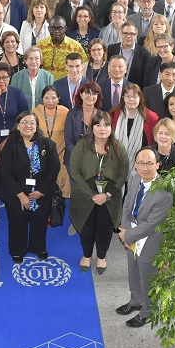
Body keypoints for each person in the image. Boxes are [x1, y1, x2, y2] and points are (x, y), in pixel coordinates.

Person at [117, 147, 174, 327]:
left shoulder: (164, 193)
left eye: (150, 164)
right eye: (141, 163)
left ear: (158, 165)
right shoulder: (135, 178)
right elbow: (127, 203)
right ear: (135, 165)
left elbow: (151, 224)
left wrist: (128, 235)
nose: (145, 168)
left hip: (150, 238)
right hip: (132, 232)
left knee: (147, 276)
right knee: (133, 271)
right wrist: (125, 229)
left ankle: (147, 311)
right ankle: (135, 301)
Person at [69, 111, 129, 275]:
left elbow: (123, 173)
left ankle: (101, 256)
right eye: (98, 124)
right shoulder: (82, 145)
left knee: (104, 227)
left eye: (106, 125)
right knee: (86, 226)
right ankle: (87, 255)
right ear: (92, 127)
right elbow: (74, 172)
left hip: (109, 196)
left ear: (111, 127)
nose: (102, 128)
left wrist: (107, 195)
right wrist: (92, 195)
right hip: (85, 194)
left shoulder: (118, 146)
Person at [0, 112, 60, 263]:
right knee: (17, 222)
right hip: (16, 193)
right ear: (18, 126)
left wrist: (42, 191)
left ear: (36, 126)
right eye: (24, 122)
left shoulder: (47, 144)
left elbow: (54, 169)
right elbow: (5, 172)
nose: (28, 126)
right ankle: (17, 250)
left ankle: (38, 247)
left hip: (41, 192)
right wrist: (20, 195)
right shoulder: (10, 145)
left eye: (32, 123)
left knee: (39, 222)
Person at [111, 84, 159, 177]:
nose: (131, 99)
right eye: (128, 96)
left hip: (143, 169)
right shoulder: (113, 115)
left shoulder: (151, 118)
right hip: (115, 168)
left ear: (140, 98)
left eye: (135, 96)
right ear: (123, 97)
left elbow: (155, 143)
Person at [33, 84, 71, 198]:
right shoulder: (35, 112)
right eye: (47, 98)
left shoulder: (65, 112)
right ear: (42, 98)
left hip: (60, 153)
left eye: (53, 98)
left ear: (58, 99)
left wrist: (54, 153)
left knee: (59, 190)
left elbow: (68, 136)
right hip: (40, 154)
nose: (50, 101)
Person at [64, 81, 102, 173]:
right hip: (74, 160)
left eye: (94, 93)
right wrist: (79, 157)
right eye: (87, 93)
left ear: (98, 96)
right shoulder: (72, 114)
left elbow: (103, 140)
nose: (91, 96)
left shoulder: (101, 116)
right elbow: (68, 140)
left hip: (94, 162)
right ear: (81, 95)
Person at [107, 22, 150, 86]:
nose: (128, 36)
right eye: (125, 33)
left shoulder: (144, 54)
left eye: (132, 34)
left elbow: (146, 78)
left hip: (134, 90)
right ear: (121, 34)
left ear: (136, 35)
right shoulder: (111, 49)